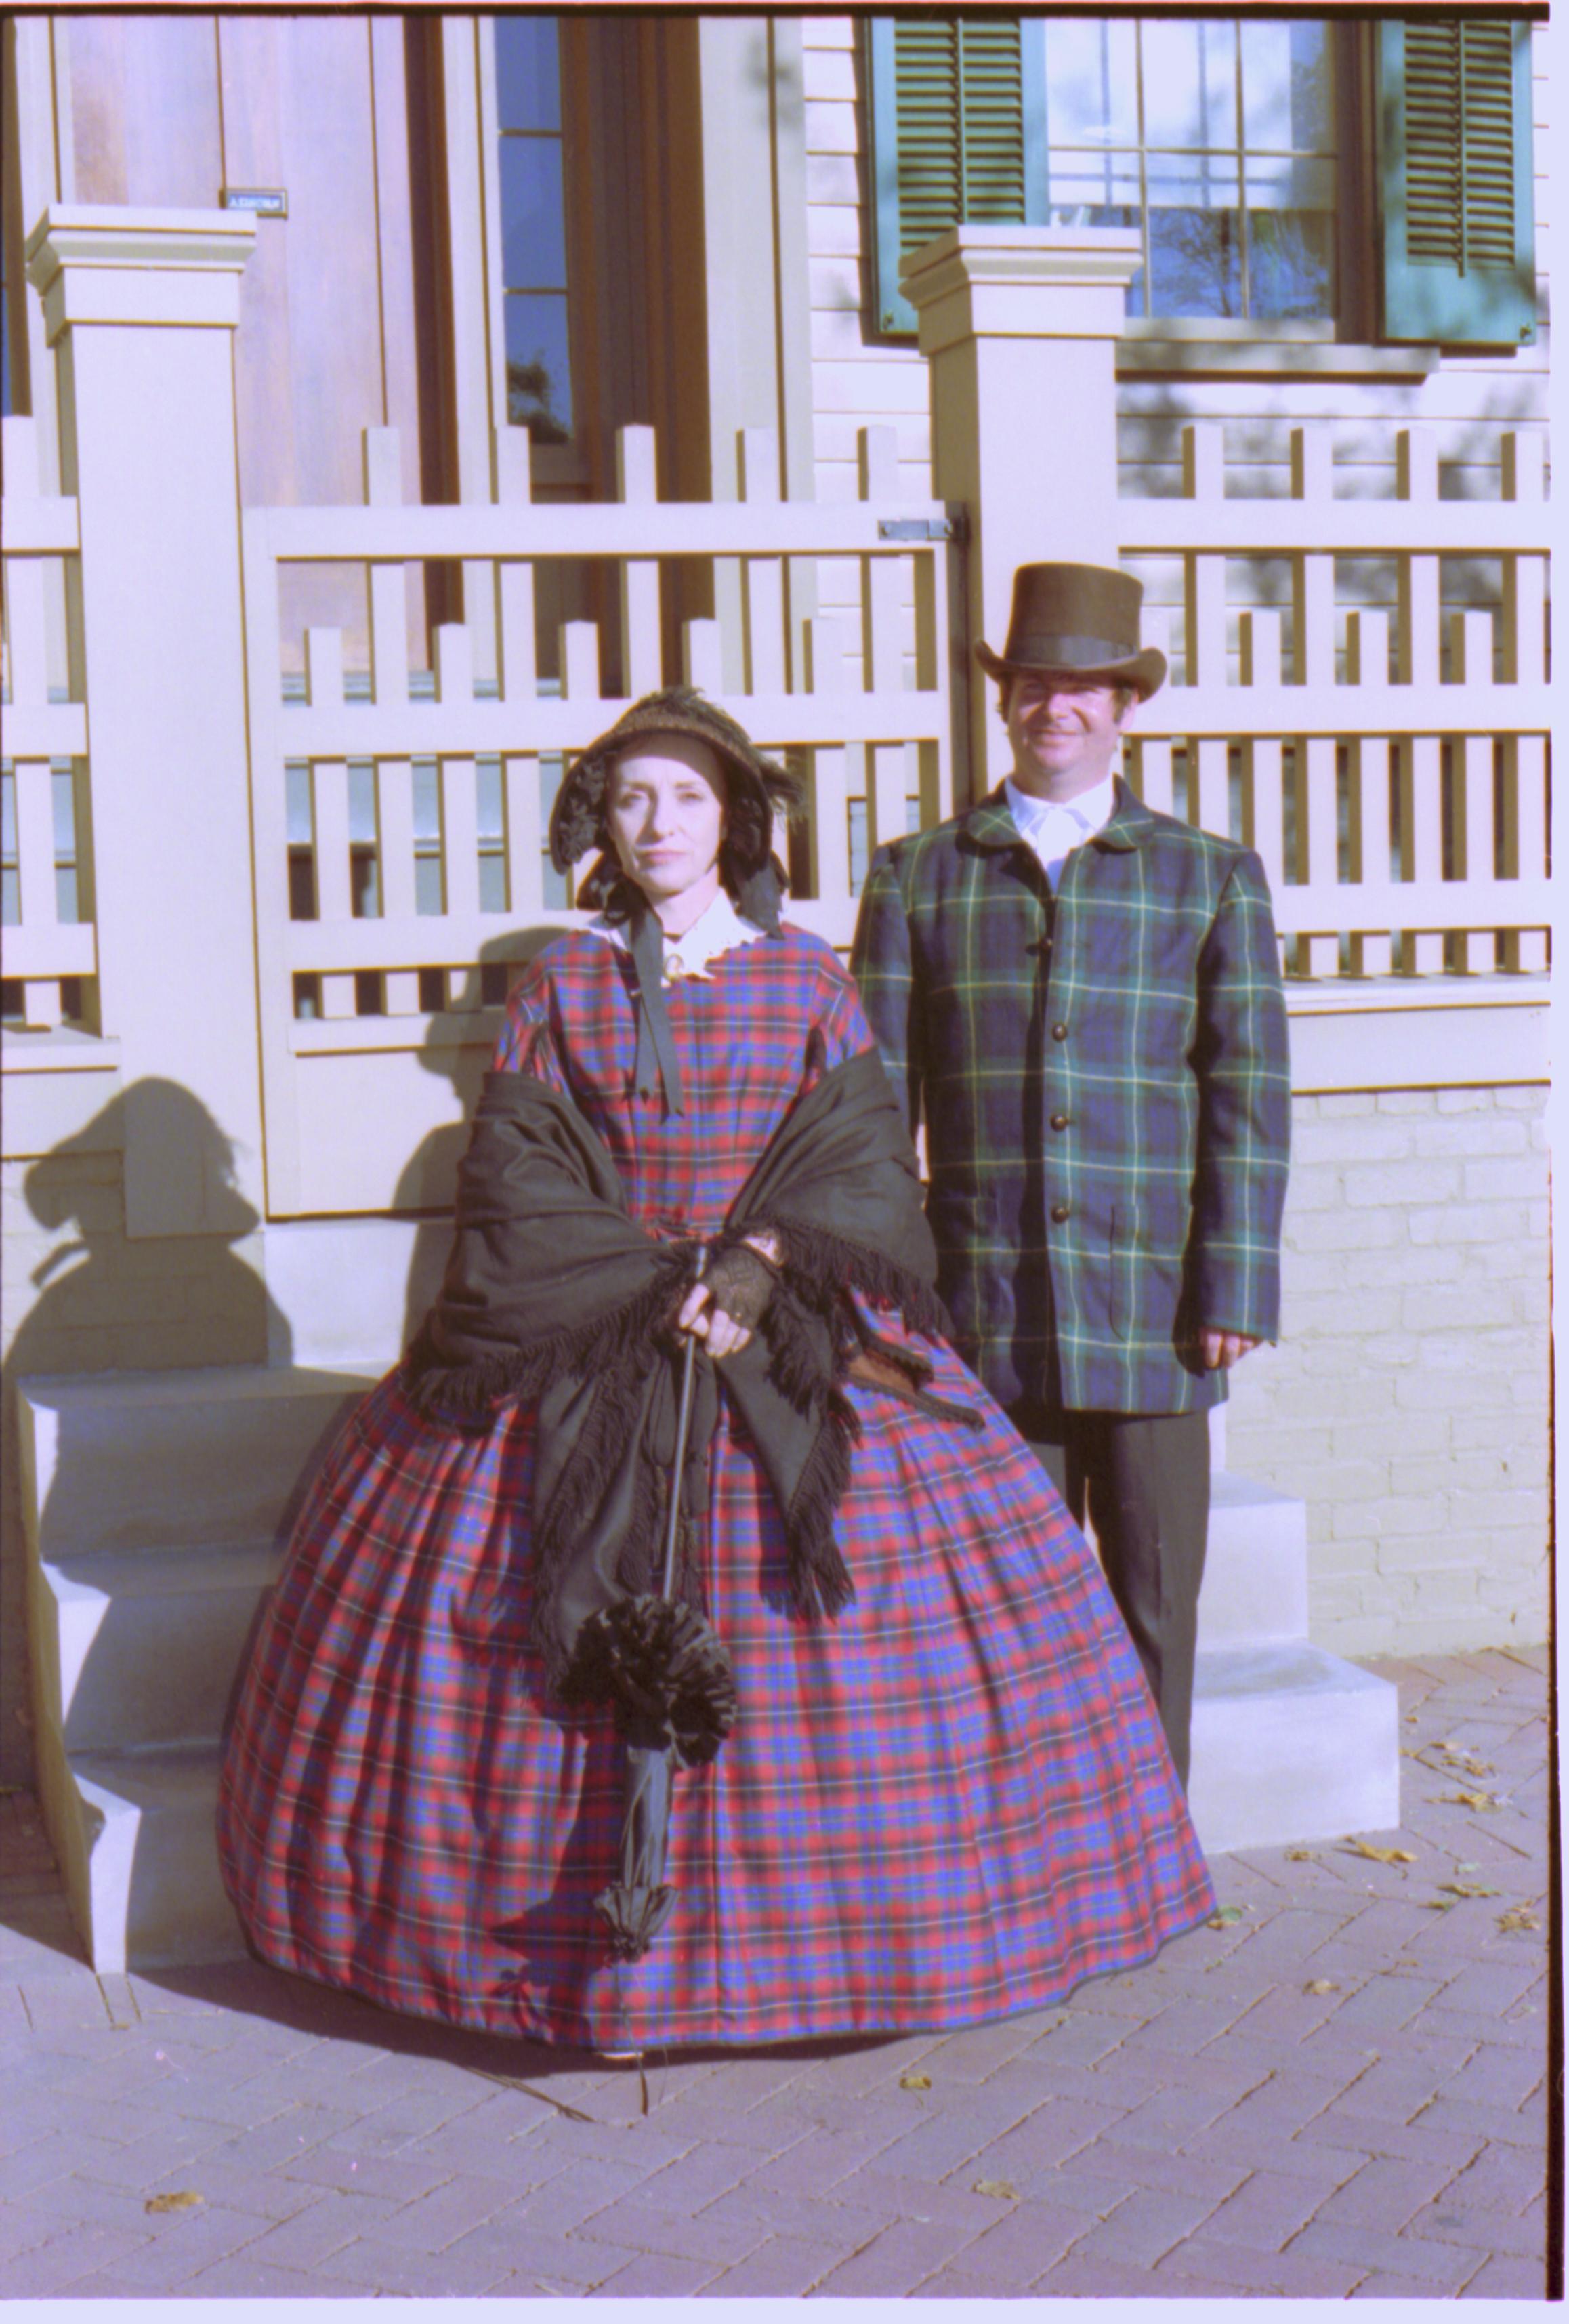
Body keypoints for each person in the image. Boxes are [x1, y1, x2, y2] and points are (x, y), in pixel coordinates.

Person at [219, 685, 1215, 2052]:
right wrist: (643, 1278)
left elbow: (866, 1161)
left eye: (687, 797)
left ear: (734, 819)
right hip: (602, 1324)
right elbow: (515, 1172)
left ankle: (847, 1952)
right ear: (602, 822)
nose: (659, 824)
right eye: (633, 799)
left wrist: (758, 1257)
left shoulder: (807, 977)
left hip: (775, 1315)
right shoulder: (563, 983)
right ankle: (572, 1950)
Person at [852, 566, 1291, 1789]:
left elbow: (1248, 1098)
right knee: (1010, 1610)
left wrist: (1234, 1286)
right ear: (1007, 702)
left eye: (1084, 686)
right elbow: (878, 1111)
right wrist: (895, 1296)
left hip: (1155, 1307)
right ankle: (1036, 1859)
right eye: (1036, 682)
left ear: (1125, 707)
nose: (1058, 706)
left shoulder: (1209, 874)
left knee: (1156, 1604)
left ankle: (1152, 1847)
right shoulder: (920, 873)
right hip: (987, 1309)